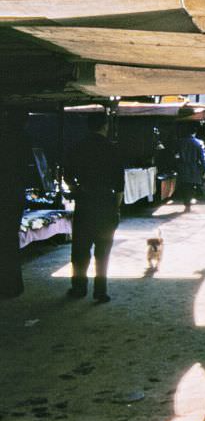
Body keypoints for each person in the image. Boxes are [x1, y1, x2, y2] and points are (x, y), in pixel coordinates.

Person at [64, 112, 124, 303]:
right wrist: (116, 208)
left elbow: (67, 176)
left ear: (89, 126)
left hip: (85, 203)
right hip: (106, 204)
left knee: (80, 250)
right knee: (103, 251)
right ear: (105, 126)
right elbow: (120, 184)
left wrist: (79, 190)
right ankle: (100, 292)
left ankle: (79, 288)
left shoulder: (78, 147)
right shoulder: (112, 149)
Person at [0, 110, 33, 298]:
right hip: (13, 195)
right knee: (10, 240)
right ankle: (12, 286)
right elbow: (27, 166)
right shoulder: (22, 139)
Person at [175, 124, 205, 213]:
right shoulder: (198, 143)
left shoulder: (180, 142)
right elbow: (202, 157)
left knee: (184, 186)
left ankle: (186, 202)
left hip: (182, 167)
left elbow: (176, 155)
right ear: (195, 132)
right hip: (194, 168)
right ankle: (188, 203)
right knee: (191, 186)